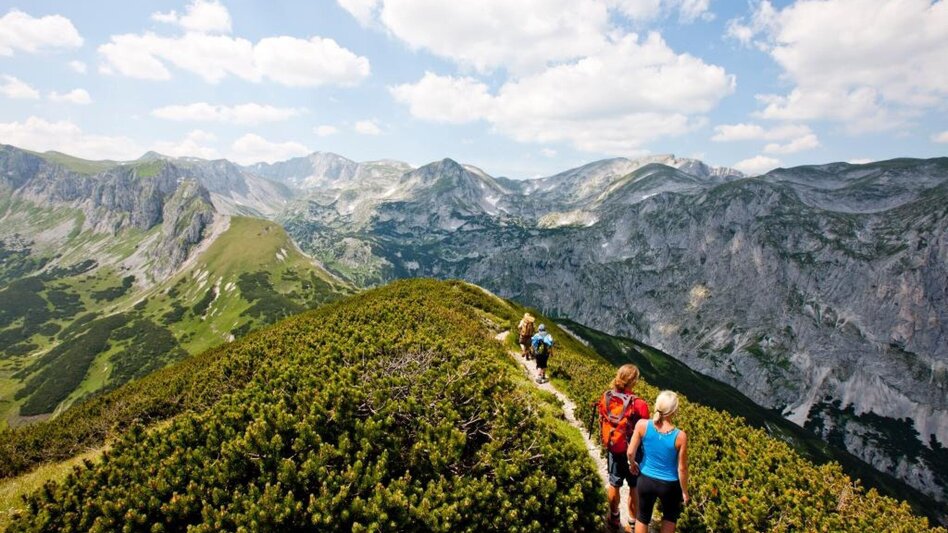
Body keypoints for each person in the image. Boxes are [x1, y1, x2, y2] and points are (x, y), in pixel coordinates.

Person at [627, 391, 689, 533]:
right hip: (670, 484)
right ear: (674, 411)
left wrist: (632, 464)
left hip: (645, 478)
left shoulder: (642, 425)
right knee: (669, 518)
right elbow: (682, 468)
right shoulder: (680, 436)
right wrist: (684, 492)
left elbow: (630, 452)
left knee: (642, 517)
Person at [598, 364, 649, 532]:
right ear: (633, 381)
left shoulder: (606, 397)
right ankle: (632, 524)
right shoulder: (639, 404)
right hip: (633, 453)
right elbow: (645, 431)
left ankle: (613, 518)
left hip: (614, 447)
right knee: (634, 487)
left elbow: (602, 418)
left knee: (614, 483)